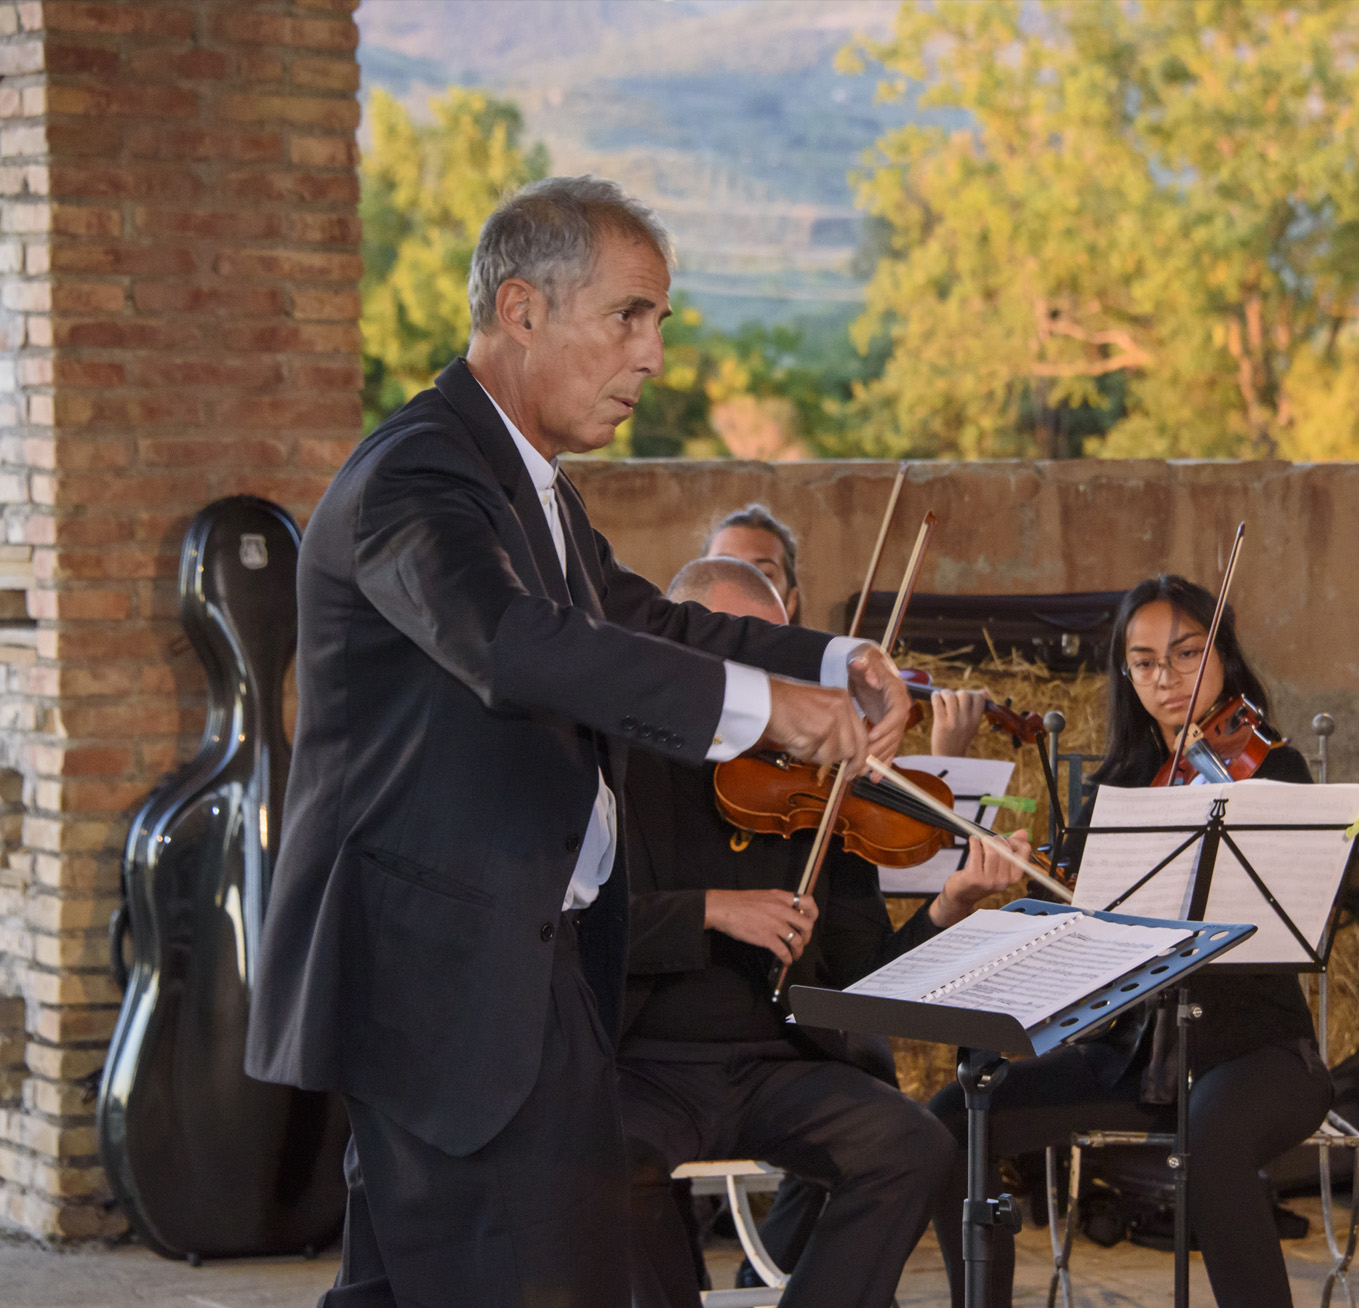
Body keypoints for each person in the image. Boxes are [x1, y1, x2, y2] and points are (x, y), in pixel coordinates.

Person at [244, 176, 911, 1308]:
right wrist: (760, 715)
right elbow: (509, 643)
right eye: (628, 316)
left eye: (659, 322)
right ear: (521, 310)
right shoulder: (417, 471)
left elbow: (639, 619)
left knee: (415, 1281)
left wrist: (822, 660)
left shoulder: (530, 486)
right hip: (439, 975)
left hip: (527, 962)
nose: (651, 356)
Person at [619, 554, 1020, 1308]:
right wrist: (706, 909)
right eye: (749, 655)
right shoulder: (621, 766)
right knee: (599, 1155)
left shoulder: (822, 788)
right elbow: (573, 927)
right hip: (642, 1062)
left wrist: (951, 904)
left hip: (777, 1065)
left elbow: (865, 974)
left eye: (783, 657)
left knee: (914, 1145)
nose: (776, 684)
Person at [928, 574, 1335, 1308]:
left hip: (1258, 1054)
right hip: (1140, 1061)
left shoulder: (1273, 768)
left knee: (1211, 1138)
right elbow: (1085, 944)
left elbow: (1298, 920)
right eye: (1143, 661)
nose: (1165, 678)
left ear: (1224, 657)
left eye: (1185, 654)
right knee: (954, 1117)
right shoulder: (1119, 782)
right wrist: (1045, 891)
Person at [700, 502, 992, 752]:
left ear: (790, 600)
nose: (744, 585)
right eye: (725, 569)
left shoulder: (832, 689)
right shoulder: (678, 692)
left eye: (763, 573)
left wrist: (948, 759)